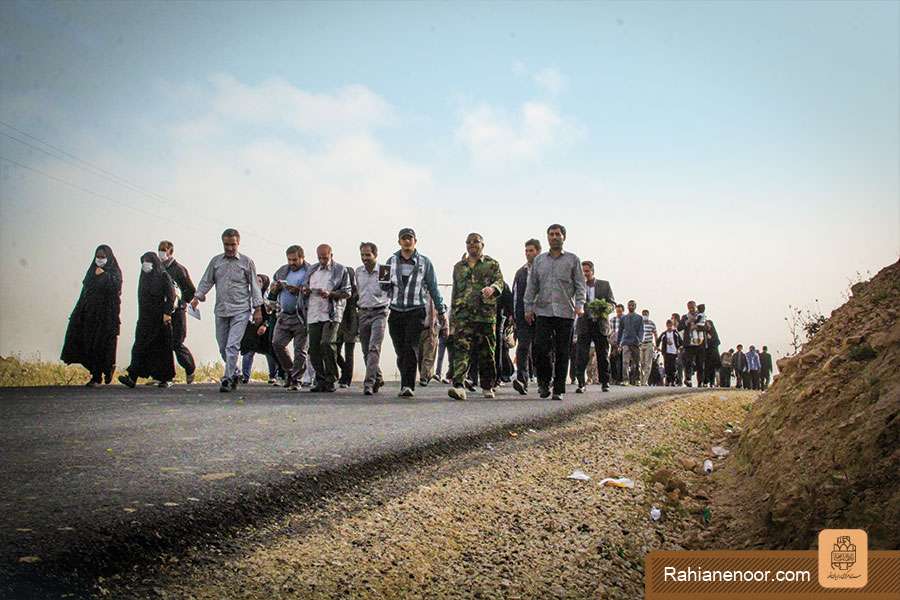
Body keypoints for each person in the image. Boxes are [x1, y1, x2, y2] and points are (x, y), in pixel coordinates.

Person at [191, 228, 264, 393]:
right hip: (222, 310)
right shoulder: (216, 262)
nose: (230, 248)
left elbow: (255, 286)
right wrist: (197, 297)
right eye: (226, 245)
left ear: (238, 243)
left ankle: (228, 379)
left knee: (233, 346)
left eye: (233, 245)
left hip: (241, 309)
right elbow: (206, 280)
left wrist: (257, 309)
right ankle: (236, 372)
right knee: (223, 346)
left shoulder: (247, 262)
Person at [523, 224, 586, 400]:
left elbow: (580, 285)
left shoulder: (573, 260)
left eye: (557, 234)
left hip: (565, 312)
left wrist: (580, 305)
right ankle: (544, 383)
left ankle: (558, 388)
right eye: (551, 234)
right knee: (541, 349)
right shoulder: (539, 260)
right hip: (543, 311)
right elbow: (532, 285)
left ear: (564, 237)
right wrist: (528, 308)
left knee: (562, 351)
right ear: (547, 238)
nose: (554, 237)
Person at [383, 228, 448, 398]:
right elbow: (383, 287)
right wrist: (382, 282)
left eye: (409, 238)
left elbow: (433, 288)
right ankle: (406, 374)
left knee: (410, 347)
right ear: (399, 242)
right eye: (403, 238)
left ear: (415, 241)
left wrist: (441, 312)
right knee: (400, 350)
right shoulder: (390, 261)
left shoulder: (424, 262)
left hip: (416, 310)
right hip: (396, 311)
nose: (407, 241)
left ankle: (407, 385)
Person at [447, 233, 504, 400]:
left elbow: (500, 282)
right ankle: (458, 385)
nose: (472, 244)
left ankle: (487, 385)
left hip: (484, 316)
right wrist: (452, 320)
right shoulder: (459, 267)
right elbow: (455, 292)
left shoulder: (492, 265)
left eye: (476, 242)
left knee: (487, 352)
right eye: (469, 242)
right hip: (463, 316)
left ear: (482, 244)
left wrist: (493, 288)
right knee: (461, 350)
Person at [61, 244, 123, 385]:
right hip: (90, 316)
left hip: (107, 318)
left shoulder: (114, 272)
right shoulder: (91, 271)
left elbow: (116, 287)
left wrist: (104, 275)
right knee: (90, 345)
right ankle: (96, 376)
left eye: (103, 257)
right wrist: (78, 313)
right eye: (98, 257)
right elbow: (85, 292)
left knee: (104, 346)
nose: (100, 259)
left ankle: (107, 369)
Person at [118, 252, 176, 388]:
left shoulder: (163, 276)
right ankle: (132, 377)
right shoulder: (144, 277)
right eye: (143, 261)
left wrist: (167, 313)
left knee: (162, 349)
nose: (145, 264)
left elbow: (171, 295)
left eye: (148, 261)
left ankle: (165, 378)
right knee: (139, 347)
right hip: (145, 319)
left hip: (160, 319)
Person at [302, 244, 351, 393]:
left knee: (327, 343)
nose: (322, 260)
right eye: (320, 257)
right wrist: (305, 291)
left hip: (331, 313)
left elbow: (347, 292)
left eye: (325, 257)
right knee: (313, 349)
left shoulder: (340, 270)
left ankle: (331, 378)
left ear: (331, 255)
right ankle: (321, 379)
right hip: (314, 313)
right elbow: (305, 286)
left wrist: (330, 294)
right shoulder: (312, 270)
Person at [270, 245, 311, 391]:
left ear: (302, 258)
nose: (292, 263)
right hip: (284, 315)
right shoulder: (282, 271)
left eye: (295, 260)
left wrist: (299, 290)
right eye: (289, 260)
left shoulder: (310, 271)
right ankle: (290, 371)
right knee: (277, 343)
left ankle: (296, 379)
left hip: (301, 316)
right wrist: (275, 288)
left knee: (300, 350)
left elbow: (313, 291)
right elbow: (272, 287)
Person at [158, 241, 197, 384]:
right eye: (160, 250)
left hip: (177, 311)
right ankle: (164, 376)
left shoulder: (179, 269)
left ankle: (190, 368)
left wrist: (180, 303)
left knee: (177, 342)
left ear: (170, 252)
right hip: (162, 310)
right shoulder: (158, 269)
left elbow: (190, 290)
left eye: (164, 250)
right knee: (163, 343)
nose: (161, 253)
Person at [574, 260, 615, 393]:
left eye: (587, 271)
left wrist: (604, 309)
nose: (584, 274)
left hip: (600, 324)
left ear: (592, 271)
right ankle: (581, 382)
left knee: (602, 355)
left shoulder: (604, 285)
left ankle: (605, 382)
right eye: (582, 271)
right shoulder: (578, 286)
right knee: (582, 355)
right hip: (584, 324)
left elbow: (612, 304)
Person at [356, 242, 390, 395]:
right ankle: (378, 376)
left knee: (374, 348)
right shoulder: (358, 272)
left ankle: (368, 383)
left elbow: (390, 292)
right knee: (365, 350)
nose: (365, 258)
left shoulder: (384, 271)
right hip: (363, 312)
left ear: (375, 255)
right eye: (362, 255)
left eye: (368, 255)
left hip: (379, 312)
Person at [512, 239, 541, 395]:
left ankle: (544, 380)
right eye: (526, 251)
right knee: (523, 347)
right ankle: (522, 380)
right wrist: (515, 316)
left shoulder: (545, 271)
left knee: (541, 349)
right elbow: (516, 296)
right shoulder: (520, 272)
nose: (528, 253)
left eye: (531, 250)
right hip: (524, 317)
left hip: (542, 316)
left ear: (538, 251)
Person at [238, 274, 278, 384]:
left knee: (269, 352)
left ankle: (273, 375)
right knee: (248, 351)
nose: (257, 284)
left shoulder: (267, 298)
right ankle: (245, 376)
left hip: (264, 329)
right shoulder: (247, 296)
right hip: (250, 327)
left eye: (260, 281)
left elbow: (271, 314)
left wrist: (265, 325)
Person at [336, 265, 359, 388]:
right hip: (340, 321)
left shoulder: (355, 290)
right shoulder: (340, 288)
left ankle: (346, 378)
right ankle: (345, 372)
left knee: (348, 352)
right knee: (335, 351)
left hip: (351, 322)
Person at [678, 301, 706, 387]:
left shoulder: (701, 316)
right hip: (689, 343)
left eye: (692, 307)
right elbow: (679, 328)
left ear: (695, 307)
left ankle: (700, 381)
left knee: (700, 363)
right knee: (688, 362)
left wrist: (697, 326)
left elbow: (706, 327)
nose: (691, 309)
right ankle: (688, 379)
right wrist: (687, 322)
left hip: (699, 342)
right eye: (689, 308)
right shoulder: (685, 317)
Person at [617, 300, 644, 385]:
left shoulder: (639, 318)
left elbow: (641, 330)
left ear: (635, 307)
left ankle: (637, 380)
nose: (631, 307)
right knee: (625, 362)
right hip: (625, 342)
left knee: (636, 363)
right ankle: (625, 380)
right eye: (629, 305)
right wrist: (619, 342)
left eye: (632, 305)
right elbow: (620, 331)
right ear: (627, 307)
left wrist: (640, 340)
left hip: (635, 342)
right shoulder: (623, 318)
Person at [417, 291, 439, 387]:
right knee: (420, 355)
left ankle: (424, 377)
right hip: (417, 329)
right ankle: (426, 373)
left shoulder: (433, 296)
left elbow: (438, 311)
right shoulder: (416, 294)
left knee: (429, 354)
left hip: (430, 328)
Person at [657, 319, 682, 386]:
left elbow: (680, 341)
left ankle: (673, 381)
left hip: (674, 352)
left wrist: (679, 347)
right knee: (667, 367)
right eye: (668, 325)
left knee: (673, 367)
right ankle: (667, 381)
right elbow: (658, 340)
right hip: (666, 352)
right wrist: (657, 347)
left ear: (672, 325)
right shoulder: (664, 334)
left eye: (670, 325)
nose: (669, 327)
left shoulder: (675, 333)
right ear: (666, 326)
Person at [700, 305, 721, 387]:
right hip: (705, 352)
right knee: (705, 368)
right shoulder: (703, 333)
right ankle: (705, 382)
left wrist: (710, 339)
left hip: (712, 353)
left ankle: (712, 382)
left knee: (711, 368)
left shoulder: (713, 333)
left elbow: (717, 342)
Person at [639, 309, 658, 386]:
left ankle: (645, 381)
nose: (645, 315)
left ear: (648, 315)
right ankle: (640, 380)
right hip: (640, 344)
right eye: (643, 314)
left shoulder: (652, 323)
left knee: (648, 363)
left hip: (649, 344)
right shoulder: (639, 323)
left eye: (646, 314)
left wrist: (657, 345)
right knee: (640, 363)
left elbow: (655, 334)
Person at [608, 304, 625, 385]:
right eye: (617, 311)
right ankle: (614, 378)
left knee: (622, 361)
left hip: (623, 343)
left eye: (620, 311)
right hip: (614, 343)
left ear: (623, 311)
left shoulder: (626, 319)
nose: (618, 313)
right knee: (612, 360)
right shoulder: (612, 320)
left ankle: (621, 379)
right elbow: (609, 332)